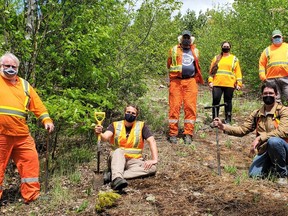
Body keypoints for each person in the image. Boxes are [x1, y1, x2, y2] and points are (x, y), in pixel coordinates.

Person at [0, 52, 54, 203]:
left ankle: (31, 195)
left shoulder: (24, 85)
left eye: (13, 66)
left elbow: (38, 106)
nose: (10, 69)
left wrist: (46, 120)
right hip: (1, 134)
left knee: (31, 162)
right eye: (7, 66)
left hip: (21, 134)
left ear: (18, 68)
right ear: (0, 66)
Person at [213, 82, 288, 184]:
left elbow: (283, 131)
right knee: (254, 175)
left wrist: (260, 138)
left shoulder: (283, 111)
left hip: (283, 148)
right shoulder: (257, 113)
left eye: (271, 93)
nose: (268, 95)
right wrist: (224, 127)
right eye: (265, 93)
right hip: (264, 150)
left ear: (276, 94)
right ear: (262, 95)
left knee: (274, 141)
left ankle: (282, 174)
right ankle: (272, 167)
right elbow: (243, 130)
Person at [94, 105, 158, 191]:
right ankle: (116, 179)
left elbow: (152, 141)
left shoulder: (142, 126)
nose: (130, 114)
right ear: (124, 113)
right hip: (116, 159)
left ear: (136, 115)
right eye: (128, 112)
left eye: (133, 113)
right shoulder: (115, 125)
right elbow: (105, 137)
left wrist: (154, 159)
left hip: (134, 161)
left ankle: (113, 176)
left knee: (152, 168)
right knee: (119, 151)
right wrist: (99, 133)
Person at [167, 30, 204, 144]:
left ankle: (188, 133)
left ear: (191, 39)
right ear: (181, 38)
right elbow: (169, 64)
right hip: (176, 82)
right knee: (174, 107)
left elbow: (196, 65)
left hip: (191, 81)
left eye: (188, 37)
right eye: (185, 37)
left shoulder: (195, 51)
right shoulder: (173, 50)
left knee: (190, 107)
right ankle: (173, 133)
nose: (186, 39)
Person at [208, 41, 242, 124]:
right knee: (216, 100)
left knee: (228, 101)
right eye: (224, 46)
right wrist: (210, 81)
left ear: (230, 48)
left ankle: (228, 119)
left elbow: (238, 72)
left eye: (227, 46)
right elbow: (211, 71)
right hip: (217, 83)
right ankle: (215, 119)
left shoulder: (234, 59)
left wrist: (239, 84)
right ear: (221, 47)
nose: (226, 47)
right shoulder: (216, 58)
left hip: (229, 84)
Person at [259, 29, 288, 103]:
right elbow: (262, 63)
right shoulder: (267, 50)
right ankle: (278, 114)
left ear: (282, 38)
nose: (277, 39)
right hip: (271, 79)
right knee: (275, 100)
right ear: (272, 39)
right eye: (275, 37)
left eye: (278, 37)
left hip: (286, 78)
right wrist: (263, 77)